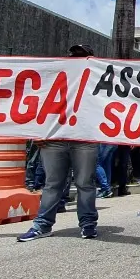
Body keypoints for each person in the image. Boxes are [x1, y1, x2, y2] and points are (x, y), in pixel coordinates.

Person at [18, 44, 100, 241]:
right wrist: (37, 131)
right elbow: (38, 101)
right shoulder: (52, 77)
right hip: (54, 138)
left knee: (85, 183)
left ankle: (88, 224)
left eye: (82, 57)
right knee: (52, 183)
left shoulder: (99, 82)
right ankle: (43, 224)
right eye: (73, 56)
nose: (76, 60)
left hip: (85, 139)